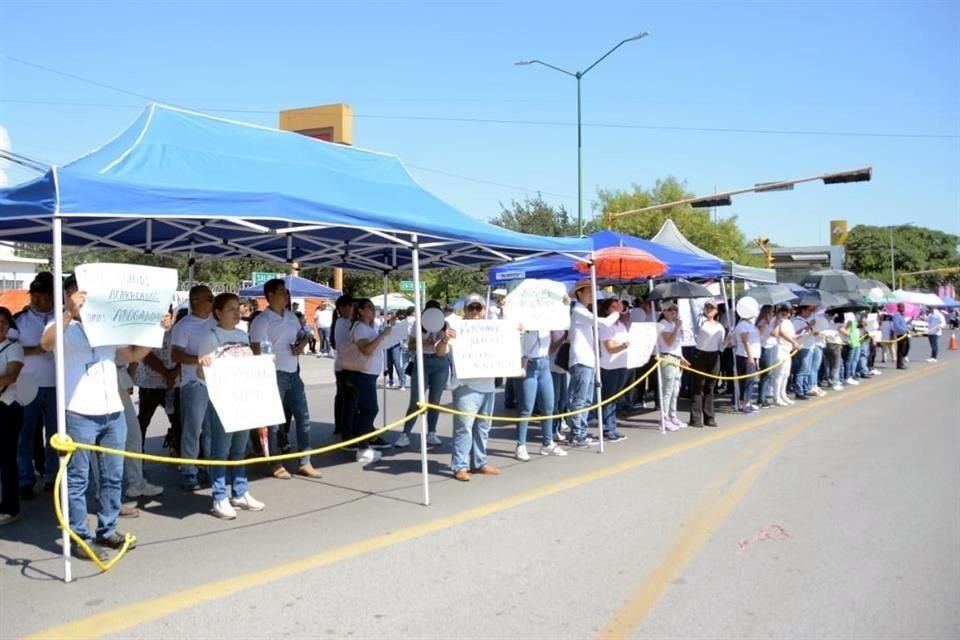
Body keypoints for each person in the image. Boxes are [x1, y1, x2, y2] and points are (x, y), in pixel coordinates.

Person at [40, 275, 155, 561]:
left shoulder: (105, 323)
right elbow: (46, 343)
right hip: (79, 411)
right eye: (80, 291)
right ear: (68, 294)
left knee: (112, 475)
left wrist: (156, 333)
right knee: (78, 478)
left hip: (112, 410)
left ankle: (108, 528)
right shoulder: (60, 323)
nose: (86, 297)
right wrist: (69, 312)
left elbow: (129, 354)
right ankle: (80, 535)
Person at [198, 293, 265, 519]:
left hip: (244, 400)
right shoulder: (210, 337)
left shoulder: (242, 334)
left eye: (239, 308)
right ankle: (219, 495)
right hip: (223, 402)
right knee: (221, 451)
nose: (237, 313)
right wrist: (204, 365)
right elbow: (201, 373)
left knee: (239, 449)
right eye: (231, 309)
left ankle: (240, 491)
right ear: (218, 312)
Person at [249, 278, 322, 478]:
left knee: (303, 417)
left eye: (286, 292)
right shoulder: (262, 321)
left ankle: (305, 461)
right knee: (274, 422)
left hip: (293, 372)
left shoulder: (291, 317)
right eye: (282, 291)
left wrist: (301, 343)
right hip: (273, 374)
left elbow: (302, 335)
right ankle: (275, 462)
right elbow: (256, 350)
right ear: (270, 296)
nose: (286, 295)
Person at [448, 295, 502, 481]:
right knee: (464, 428)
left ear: (484, 310)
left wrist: (514, 331)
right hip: (466, 386)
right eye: (471, 308)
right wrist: (444, 339)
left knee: (483, 427)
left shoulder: (492, 329)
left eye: (478, 308)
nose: (475, 312)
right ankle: (460, 466)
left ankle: (479, 463)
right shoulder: (456, 328)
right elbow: (441, 351)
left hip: (487, 385)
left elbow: (507, 346)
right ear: (465, 310)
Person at [14, 272, 57, 499]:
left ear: (52, 296)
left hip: (56, 384)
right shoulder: (19, 320)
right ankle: (25, 479)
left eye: (41, 295)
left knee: (55, 435)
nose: (36, 299)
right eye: (34, 295)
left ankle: (52, 477)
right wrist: (36, 350)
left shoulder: (61, 318)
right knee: (25, 434)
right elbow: (9, 349)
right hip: (27, 383)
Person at [171, 286, 216, 491]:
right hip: (193, 384)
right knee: (193, 429)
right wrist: (197, 360)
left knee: (210, 430)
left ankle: (207, 466)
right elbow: (176, 355)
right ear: (195, 301)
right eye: (209, 298)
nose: (212, 301)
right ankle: (188, 470)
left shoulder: (215, 322)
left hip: (215, 383)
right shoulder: (183, 326)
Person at [566, 279, 621, 446]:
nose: (591, 295)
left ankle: (580, 430)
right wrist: (616, 312)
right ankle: (577, 433)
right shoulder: (578, 310)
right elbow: (603, 322)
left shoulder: (584, 310)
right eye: (588, 291)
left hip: (589, 359)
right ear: (580, 293)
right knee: (580, 398)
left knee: (588, 398)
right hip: (581, 358)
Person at [341, 298, 392, 465]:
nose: (373, 310)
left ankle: (363, 443)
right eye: (370, 308)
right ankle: (363, 446)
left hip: (368, 373)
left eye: (373, 308)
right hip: (362, 374)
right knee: (369, 409)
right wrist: (382, 336)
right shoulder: (361, 328)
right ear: (361, 310)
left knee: (366, 409)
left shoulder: (369, 327)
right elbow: (366, 350)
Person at [396, 300, 450, 449]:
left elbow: (442, 351)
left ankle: (432, 432)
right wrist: (424, 343)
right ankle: (405, 434)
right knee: (415, 401)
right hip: (422, 362)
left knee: (435, 401)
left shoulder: (445, 325)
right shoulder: (417, 324)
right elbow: (410, 346)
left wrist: (443, 340)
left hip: (440, 363)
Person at [516, 315, 568, 459]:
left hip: (544, 364)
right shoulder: (522, 320)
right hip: (529, 364)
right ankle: (521, 445)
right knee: (526, 408)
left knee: (548, 406)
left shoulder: (547, 319)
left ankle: (547, 442)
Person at [135, 310, 181, 452]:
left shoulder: (178, 332)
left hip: (174, 383)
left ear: (172, 316)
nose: (164, 319)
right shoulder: (147, 332)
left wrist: (174, 372)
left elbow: (184, 352)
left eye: (167, 316)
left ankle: (178, 450)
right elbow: (146, 356)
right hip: (150, 383)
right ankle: (138, 453)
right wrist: (165, 373)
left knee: (178, 421)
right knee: (143, 420)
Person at [0, 307, 25, 525]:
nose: (0, 325)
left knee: (7, 458)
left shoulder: (14, 347)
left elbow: (11, 376)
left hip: (8, 408)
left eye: (3, 322)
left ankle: (10, 507)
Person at [596, 298, 631, 442]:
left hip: (621, 364)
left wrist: (624, 310)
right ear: (607, 310)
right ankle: (608, 429)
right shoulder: (605, 326)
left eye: (618, 305)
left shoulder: (621, 324)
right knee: (608, 398)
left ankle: (612, 427)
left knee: (615, 398)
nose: (617, 308)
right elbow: (610, 347)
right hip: (609, 366)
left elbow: (628, 321)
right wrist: (623, 346)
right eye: (613, 306)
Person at [690, 302, 724, 427]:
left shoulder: (719, 326)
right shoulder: (700, 322)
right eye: (707, 308)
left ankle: (709, 416)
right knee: (699, 386)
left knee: (710, 387)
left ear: (716, 311)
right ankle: (696, 418)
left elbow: (721, 345)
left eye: (712, 308)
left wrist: (728, 341)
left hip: (714, 355)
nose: (709, 310)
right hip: (700, 355)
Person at [658, 301, 687, 430]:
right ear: (664, 311)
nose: (673, 312)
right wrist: (677, 328)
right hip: (667, 357)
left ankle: (672, 415)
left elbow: (677, 345)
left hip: (675, 357)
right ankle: (664, 417)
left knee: (675, 389)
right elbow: (669, 342)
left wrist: (682, 358)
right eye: (670, 309)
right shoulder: (662, 324)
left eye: (675, 309)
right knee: (668, 390)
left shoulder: (673, 324)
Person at [331, 295, 355, 437]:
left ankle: (340, 424)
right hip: (345, 365)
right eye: (350, 306)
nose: (352, 309)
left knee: (341, 396)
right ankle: (345, 426)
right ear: (342, 308)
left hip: (341, 365)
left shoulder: (341, 322)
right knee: (347, 398)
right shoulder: (344, 323)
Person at [733, 305, 761, 413]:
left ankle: (747, 402)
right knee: (747, 380)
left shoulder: (750, 325)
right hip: (745, 356)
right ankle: (744, 404)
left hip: (752, 355)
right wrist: (750, 357)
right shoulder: (743, 325)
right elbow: (746, 341)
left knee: (751, 380)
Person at [770, 304, 800, 405]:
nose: (787, 314)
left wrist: (798, 338)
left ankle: (782, 394)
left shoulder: (788, 322)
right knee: (779, 374)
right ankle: (776, 396)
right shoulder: (776, 320)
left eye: (789, 312)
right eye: (785, 311)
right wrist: (793, 341)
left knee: (785, 374)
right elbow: (780, 333)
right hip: (779, 349)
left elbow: (791, 335)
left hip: (787, 349)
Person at [790, 306, 817, 400]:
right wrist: (809, 326)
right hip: (802, 346)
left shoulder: (806, 321)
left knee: (807, 370)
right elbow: (796, 333)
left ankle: (805, 389)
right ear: (803, 310)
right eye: (808, 310)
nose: (810, 312)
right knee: (802, 369)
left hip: (809, 346)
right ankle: (799, 390)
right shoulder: (797, 320)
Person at [756, 305, 778, 407]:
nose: (773, 314)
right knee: (766, 373)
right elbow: (762, 335)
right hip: (765, 347)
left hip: (772, 346)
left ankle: (764, 396)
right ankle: (761, 398)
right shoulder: (763, 322)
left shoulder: (771, 322)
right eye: (772, 312)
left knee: (770, 373)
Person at [892, 303, 910, 369]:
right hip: (900, 334)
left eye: (904, 307)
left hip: (905, 334)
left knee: (907, 346)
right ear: (898, 307)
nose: (904, 308)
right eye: (902, 307)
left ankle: (902, 360)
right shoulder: (896, 315)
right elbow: (897, 325)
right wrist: (904, 330)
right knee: (901, 349)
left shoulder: (902, 315)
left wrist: (907, 328)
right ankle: (900, 364)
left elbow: (904, 324)